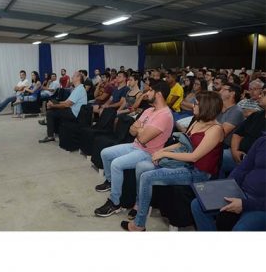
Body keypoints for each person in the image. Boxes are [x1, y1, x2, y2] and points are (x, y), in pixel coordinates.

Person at [121, 91, 224, 231]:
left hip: (198, 172)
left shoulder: (216, 129)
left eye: (196, 104)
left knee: (146, 177)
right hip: (185, 164)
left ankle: (139, 224)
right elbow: (183, 143)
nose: (192, 106)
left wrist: (164, 153)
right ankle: (139, 205)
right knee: (143, 167)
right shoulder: (197, 121)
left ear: (206, 107)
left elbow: (194, 156)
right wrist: (162, 151)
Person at [94, 81, 174, 217]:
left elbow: (143, 138)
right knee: (105, 153)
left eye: (150, 91)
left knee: (116, 164)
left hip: (148, 152)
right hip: (135, 145)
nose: (146, 93)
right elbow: (132, 130)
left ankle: (115, 202)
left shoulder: (165, 115)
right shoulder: (149, 110)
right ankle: (110, 181)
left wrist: (140, 130)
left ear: (158, 94)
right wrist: (141, 130)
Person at [191, 135, 266, 231]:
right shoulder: (262, 141)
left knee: (241, 229)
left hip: (260, 205)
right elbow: (242, 168)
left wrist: (245, 204)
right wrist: (227, 187)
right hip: (242, 192)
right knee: (197, 205)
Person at [219, 88, 266, 178]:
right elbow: (238, 134)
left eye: (264, 94)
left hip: (255, 163)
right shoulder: (256, 115)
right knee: (213, 157)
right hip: (237, 154)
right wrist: (234, 151)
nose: (260, 96)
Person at [38, 71, 87, 143]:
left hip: (74, 113)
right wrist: (54, 103)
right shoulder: (77, 88)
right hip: (71, 110)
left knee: (50, 113)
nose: (72, 77)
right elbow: (66, 101)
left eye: (73, 76)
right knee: (52, 107)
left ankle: (50, 136)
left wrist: (53, 105)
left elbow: (67, 104)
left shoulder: (79, 89)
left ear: (78, 78)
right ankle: (55, 131)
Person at [217, 83, 244, 149]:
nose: (220, 92)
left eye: (223, 89)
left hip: (224, 145)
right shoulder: (218, 107)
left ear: (232, 93)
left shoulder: (236, 111)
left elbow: (221, 134)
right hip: (213, 141)